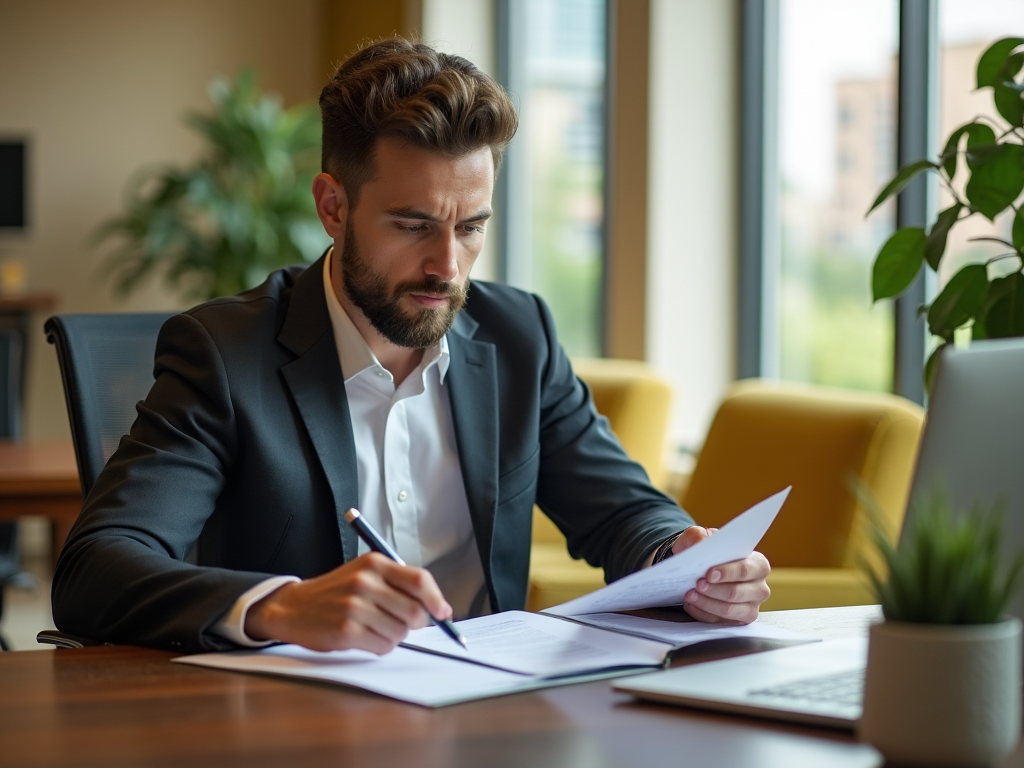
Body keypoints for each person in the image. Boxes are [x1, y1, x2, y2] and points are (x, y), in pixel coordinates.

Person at [52, 37, 770, 654]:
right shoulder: (224, 354)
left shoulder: (522, 338)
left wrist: (685, 558)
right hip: (296, 724)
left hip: (490, 720)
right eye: (413, 225)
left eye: (470, 227)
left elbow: (623, 513)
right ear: (333, 207)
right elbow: (96, 569)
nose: (447, 267)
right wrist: (283, 607)